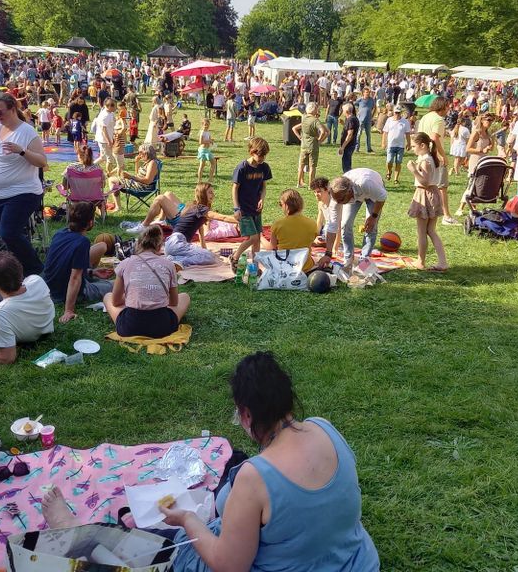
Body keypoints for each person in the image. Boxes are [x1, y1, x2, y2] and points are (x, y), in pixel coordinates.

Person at [120, 351, 378, 571]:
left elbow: (229, 566)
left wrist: (187, 520)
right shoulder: (324, 427)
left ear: (246, 414)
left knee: (180, 547)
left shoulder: (255, 477)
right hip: (355, 561)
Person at [0, 93, 48, 277]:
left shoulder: (27, 131)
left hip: (22, 192)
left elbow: (41, 161)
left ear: (12, 109)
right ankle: (13, 269)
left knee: (9, 233)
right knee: (4, 235)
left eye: (0, 112)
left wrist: (22, 151)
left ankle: (36, 269)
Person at [106, 225, 189, 338]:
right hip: (162, 328)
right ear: (160, 247)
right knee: (185, 297)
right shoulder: (169, 265)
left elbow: (115, 302)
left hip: (130, 327)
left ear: (138, 244)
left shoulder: (125, 264)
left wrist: (133, 296)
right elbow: (174, 302)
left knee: (108, 296)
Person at [42, 202, 113, 324]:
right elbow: (74, 278)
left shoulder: (59, 233)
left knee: (101, 246)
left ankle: (89, 278)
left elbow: (62, 265)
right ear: (90, 222)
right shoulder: (82, 242)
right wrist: (68, 310)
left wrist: (92, 273)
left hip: (49, 288)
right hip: (63, 293)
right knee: (116, 284)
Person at [319, 169, 388, 272]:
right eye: (337, 200)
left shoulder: (366, 183)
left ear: (349, 192)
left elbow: (382, 196)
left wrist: (373, 216)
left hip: (372, 192)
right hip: (356, 193)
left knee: (371, 227)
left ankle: (364, 260)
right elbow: (332, 225)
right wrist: (328, 253)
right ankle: (348, 260)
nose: (339, 203)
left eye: (341, 200)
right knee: (345, 224)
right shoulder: (336, 198)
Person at [160, 183, 237, 267]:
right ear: (202, 193)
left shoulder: (194, 207)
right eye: (210, 192)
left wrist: (204, 249)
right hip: (178, 243)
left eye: (213, 192)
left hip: (171, 244)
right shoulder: (201, 209)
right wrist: (241, 220)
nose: (213, 195)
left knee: (206, 253)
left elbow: (201, 231)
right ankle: (178, 262)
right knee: (210, 257)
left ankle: (174, 258)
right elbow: (223, 218)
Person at [407, 132, 449, 271]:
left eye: (414, 146)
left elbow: (424, 182)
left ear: (423, 145)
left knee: (422, 231)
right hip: (433, 193)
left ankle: (421, 261)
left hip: (425, 193)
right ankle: (442, 262)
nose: (412, 148)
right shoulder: (429, 157)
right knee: (431, 230)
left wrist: (413, 170)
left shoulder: (425, 160)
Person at [229, 137, 272, 271]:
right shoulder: (242, 168)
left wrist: (262, 199)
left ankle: (255, 265)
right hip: (244, 209)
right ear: (251, 152)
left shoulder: (264, 167)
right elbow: (234, 188)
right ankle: (235, 257)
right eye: (259, 155)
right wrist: (236, 208)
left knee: (257, 239)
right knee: (252, 237)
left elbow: (264, 186)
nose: (261, 158)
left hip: (256, 208)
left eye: (264, 155)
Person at [417, 97, 456, 225]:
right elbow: (434, 137)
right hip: (434, 157)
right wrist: (443, 155)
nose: (448, 110)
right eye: (448, 107)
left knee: (425, 186)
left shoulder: (425, 117)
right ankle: (446, 215)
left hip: (422, 156)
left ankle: (425, 211)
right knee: (441, 187)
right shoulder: (439, 119)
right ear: (442, 106)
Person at [263, 189, 319, 273]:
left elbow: (271, 248)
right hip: (305, 266)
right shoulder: (313, 224)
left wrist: (260, 237)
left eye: (280, 204)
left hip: (284, 266)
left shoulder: (278, 224)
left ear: (286, 205)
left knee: (260, 263)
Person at [454, 114, 495, 216]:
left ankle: (473, 207)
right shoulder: (476, 133)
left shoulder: (488, 134)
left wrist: (491, 144)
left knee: (479, 185)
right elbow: (468, 149)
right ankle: (460, 208)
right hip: (475, 161)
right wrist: (481, 150)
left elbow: (491, 149)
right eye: (488, 120)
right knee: (472, 185)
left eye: (491, 120)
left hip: (484, 162)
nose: (490, 122)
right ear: (482, 120)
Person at [109, 143, 160, 209]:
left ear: (146, 152)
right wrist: (137, 162)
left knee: (112, 180)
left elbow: (148, 181)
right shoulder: (151, 161)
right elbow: (138, 175)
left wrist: (130, 177)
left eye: (140, 152)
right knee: (116, 179)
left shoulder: (152, 163)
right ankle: (117, 205)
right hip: (140, 185)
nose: (139, 155)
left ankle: (118, 207)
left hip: (142, 188)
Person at [292, 102, 329, 189]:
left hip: (304, 146)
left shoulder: (304, 118)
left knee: (301, 165)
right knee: (312, 166)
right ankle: (310, 185)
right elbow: (324, 131)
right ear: (314, 110)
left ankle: (299, 183)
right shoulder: (315, 120)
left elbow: (295, 128)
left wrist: (300, 137)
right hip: (313, 146)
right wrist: (320, 140)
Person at [309, 177, 343, 258]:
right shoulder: (320, 203)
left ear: (327, 190)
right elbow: (319, 222)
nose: (316, 194)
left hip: (336, 231)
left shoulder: (335, 204)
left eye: (319, 192)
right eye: (314, 192)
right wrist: (315, 237)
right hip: (326, 230)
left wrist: (334, 248)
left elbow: (339, 227)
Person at [381, 105, 412, 183]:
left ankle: (396, 179)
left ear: (401, 113)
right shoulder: (389, 120)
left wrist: (409, 143)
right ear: (393, 112)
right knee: (389, 161)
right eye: (396, 113)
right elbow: (385, 132)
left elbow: (408, 133)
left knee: (398, 162)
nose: (397, 114)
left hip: (400, 146)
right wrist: (383, 143)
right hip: (391, 145)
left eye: (398, 113)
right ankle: (389, 172)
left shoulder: (405, 122)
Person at [449, 111, 472, 176]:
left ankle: (454, 168)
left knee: (458, 159)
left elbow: (452, 138)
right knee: (460, 159)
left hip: (455, 145)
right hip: (462, 146)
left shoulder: (455, 128)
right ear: (463, 122)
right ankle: (457, 172)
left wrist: (451, 145)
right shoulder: (465, 129)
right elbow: (468, 139)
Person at [339, 102, 359, 173]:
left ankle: (348, 181)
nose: (342, 112)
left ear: (346, 111)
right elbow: (350, 129)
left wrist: (343, 147)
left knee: (346, 166)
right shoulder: (351, 119)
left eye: (343, 110)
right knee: (346, 164)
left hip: (349, 145)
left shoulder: (351, 119)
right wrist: (343, 124)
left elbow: (350, 134)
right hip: (350, 145)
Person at [354, 88, 376, 153]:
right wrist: (357, 112)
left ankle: (368, 149)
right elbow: (355, 105)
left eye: (368, 92)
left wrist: (372, 115)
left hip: (368, 119)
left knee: (368, 134)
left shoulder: (371, 100)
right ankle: (356, 148)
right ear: (363, 93)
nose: (368, 93)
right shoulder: (360, 100)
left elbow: (374, 107)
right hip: (360, 119)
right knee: (358, 134)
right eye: (366, 92)